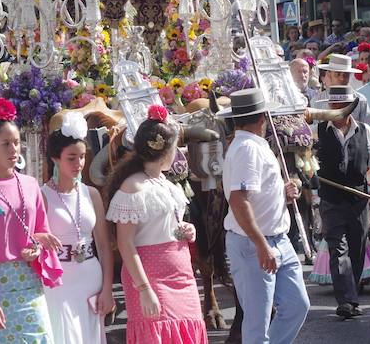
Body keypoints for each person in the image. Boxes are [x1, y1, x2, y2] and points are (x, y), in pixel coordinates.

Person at [105, 105, 207, 343]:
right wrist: (144, 288)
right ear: (163, 150)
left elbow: (166, 223)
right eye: (176, 148)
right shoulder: (133, 187)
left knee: (187, 332)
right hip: (151, 278)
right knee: (158, 334)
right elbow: (125, 243)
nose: (178, 154)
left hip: (181, 273)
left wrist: (187, 230)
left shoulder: (166, 183)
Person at [0, 98, 62, 342]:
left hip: (29, 284)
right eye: (5, 143)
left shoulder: (30, 184)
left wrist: (37, 248)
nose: (14, 150)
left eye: (16, 143)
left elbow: (40, 230)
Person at [220, 89, 309, 343]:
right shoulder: (248, 148)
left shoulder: (253, 145)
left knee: (297, 306)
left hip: (276, 239)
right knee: (258, 322)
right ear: (263, 117)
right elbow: (238, 200)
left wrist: (283, 191)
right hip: (256, 243)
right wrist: (261, 245)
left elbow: (252, 194)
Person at [315, 85, 370, 318]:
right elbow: (304, 157)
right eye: (333, 105)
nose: (336, 109)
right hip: (331, 200)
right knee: (338, 249)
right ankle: (346, 301)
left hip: (359, 199)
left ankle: (351, 295)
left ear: (350, 108)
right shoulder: (317, 131)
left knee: (357, 251)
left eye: (341, 106)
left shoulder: (365, 132)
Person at [41, 112, 114, 343]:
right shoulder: (42, 196)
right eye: (71, 158)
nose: (79, 163)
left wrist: (108, 289)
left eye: (82, 157)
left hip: (91, 277)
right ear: (55, 158)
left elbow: (103, 245)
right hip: (59, 282)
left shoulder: (91, 194)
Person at [312, 54, 370, 127]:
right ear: (329, 74)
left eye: (345, 75)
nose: (342, 78)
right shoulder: (316, 101)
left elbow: (366, 128)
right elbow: (315, 131)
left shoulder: (360, 100)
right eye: (337, 74)